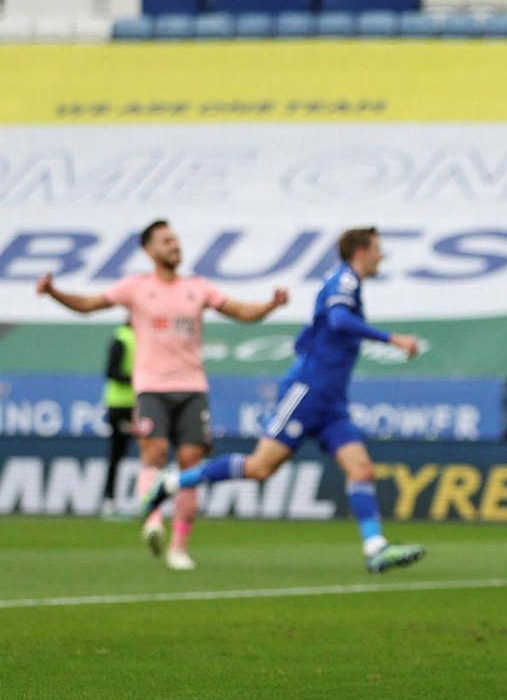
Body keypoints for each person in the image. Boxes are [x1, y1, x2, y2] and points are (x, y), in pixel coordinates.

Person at [137, 227, 426, 575]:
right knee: (259, 467)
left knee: (361, 469)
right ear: (361, 251)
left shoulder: (350, 283)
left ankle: (375, 548)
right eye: (378, 249)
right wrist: (391, 338)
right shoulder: (344, 280)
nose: (382, 257)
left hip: (332, 402)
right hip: (307, 391)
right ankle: (172, 482)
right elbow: (338, 319)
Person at [36, 219, 287, 569]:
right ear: (148, 249)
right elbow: (89, 304)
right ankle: (153, 520)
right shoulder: (136, 288)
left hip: (192, 389)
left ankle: (179, 547)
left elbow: (240, 311)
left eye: (176, 240)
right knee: (152, 455)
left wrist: (270, 305)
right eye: (166, 241)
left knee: (190, 465)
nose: (174, 246)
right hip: (152, 388)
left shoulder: (197, 287)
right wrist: (54, 292)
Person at [101, 318, 137, 518]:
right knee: (117, 453)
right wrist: (137, 378)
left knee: (149, 451)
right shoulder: (122, 338)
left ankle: (144, 498)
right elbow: (111, 371)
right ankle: (109, 501)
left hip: (139, 405)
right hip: (120, 405)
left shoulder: (140, 338)